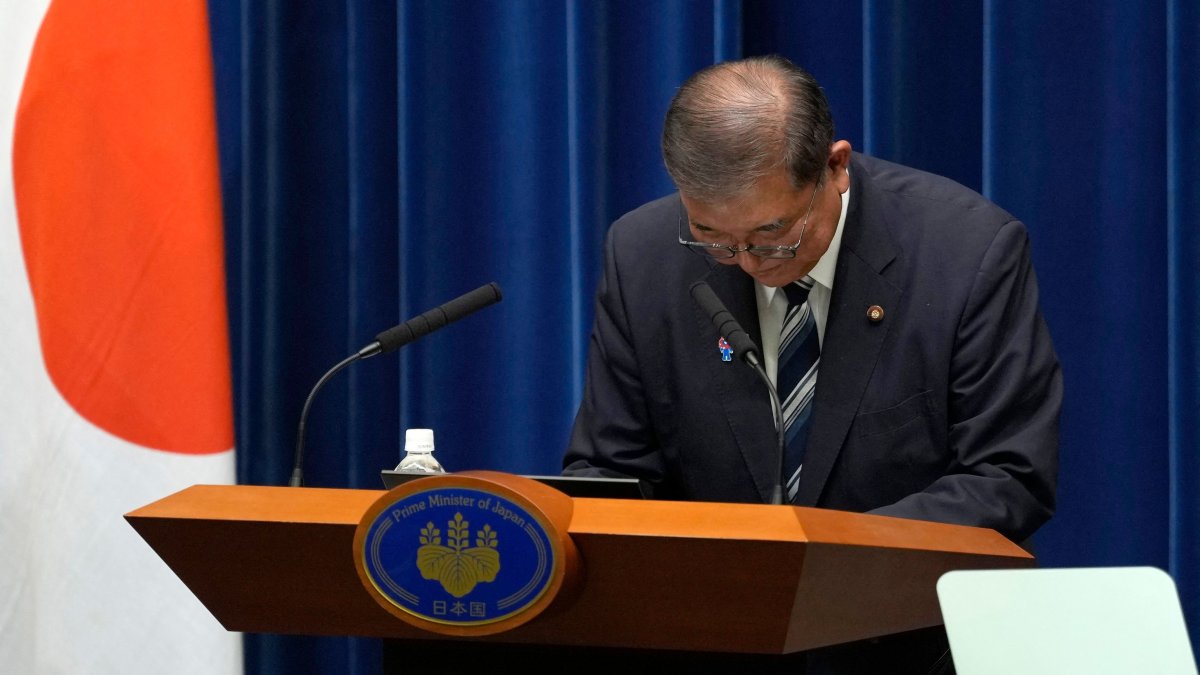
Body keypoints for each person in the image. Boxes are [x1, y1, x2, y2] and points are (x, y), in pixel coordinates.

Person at [562, 55, 1061, 672]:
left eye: (774, 235)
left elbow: (1008, 476)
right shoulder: (643, 255)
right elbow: (612, 472)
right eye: (713, 238)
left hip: (915, 643)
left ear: (835, 167)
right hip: (715, 640)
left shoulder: (966, 254)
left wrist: (826, 564)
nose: (747, 261)